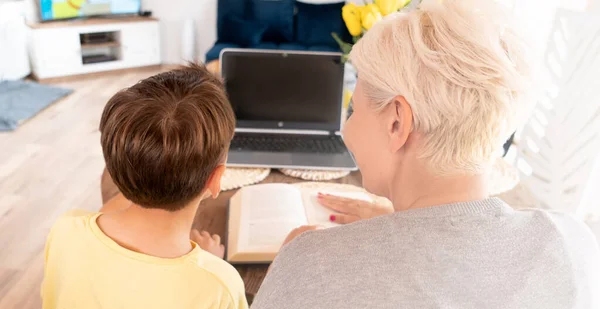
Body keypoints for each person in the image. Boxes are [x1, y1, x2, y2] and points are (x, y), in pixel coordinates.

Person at [251, 0, 600, 308]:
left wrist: (297, 263)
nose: (346, 129)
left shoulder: (311, 265)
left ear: (397, 123)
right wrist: (405, 223)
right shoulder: (573, 242)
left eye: (354, 111)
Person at [41, 64, 248, 309]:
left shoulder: (66, 229)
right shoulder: (219, 287)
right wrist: (208, 268)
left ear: (114, 168)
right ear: (215, 180)